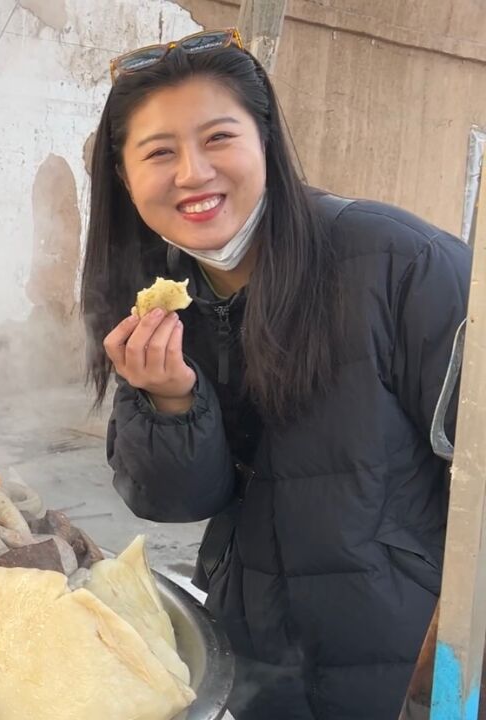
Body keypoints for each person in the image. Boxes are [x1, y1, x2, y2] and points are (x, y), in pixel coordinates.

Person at [82, 28, 467, 720]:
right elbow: (176, 503)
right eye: (159, 152)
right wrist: (172, 402)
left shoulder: (396, 263)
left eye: (218, 139)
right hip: (255, 660)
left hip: (408, 674)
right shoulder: (164, 296)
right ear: (123, 177)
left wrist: (449, 661)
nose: (193, 174)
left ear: (265, 141)